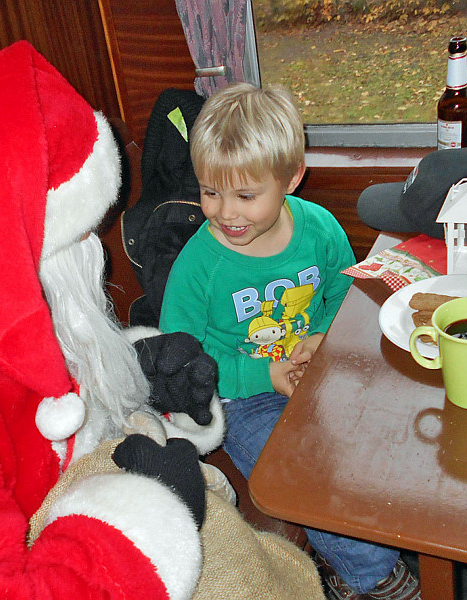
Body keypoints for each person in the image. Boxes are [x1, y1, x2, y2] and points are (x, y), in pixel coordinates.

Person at [0, 42, 325, 599]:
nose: (96, 250)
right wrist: (146, 518)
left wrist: (139, 373)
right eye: (80, 236)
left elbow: (40, 398)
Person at [159, 82, 422, 600]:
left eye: (245, 195)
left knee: (386, 430)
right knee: (304, 472)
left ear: (291, 179)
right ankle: (368, 576)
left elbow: (344, 289)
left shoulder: (319, 227)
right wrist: (263, 374)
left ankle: (388, 535)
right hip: (240, 395)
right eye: (210, 191)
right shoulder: (199, 265)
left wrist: (323, 334)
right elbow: (181, 359)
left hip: (317, 365)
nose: (225, 212)